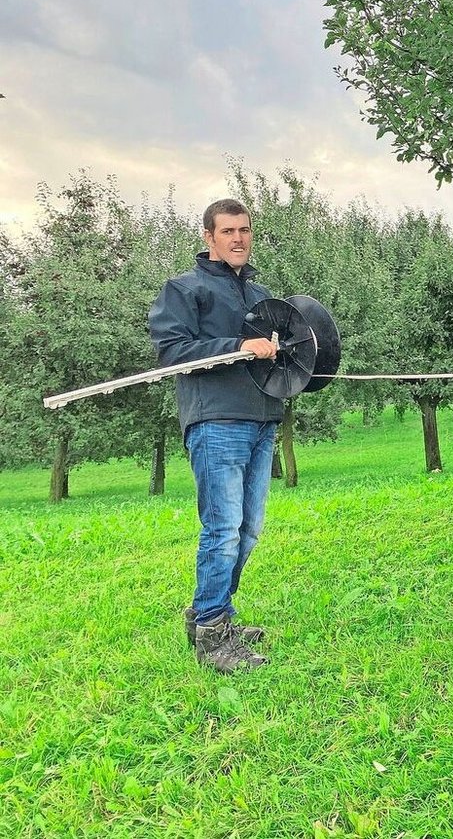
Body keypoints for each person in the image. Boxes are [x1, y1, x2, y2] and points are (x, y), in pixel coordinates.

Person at [148, 199, 282, 673]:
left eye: (244, 230)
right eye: (227, 231)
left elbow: (276, 354)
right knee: (223, 529)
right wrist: (238, 346)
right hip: (216, 420)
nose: (238, 239)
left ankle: (213, 612)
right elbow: (172, 352)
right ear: (209, 237)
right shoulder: (185, 289)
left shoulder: (260, 295)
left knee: (248, 529)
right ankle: (212, 633)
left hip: (262, 418)